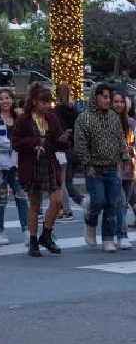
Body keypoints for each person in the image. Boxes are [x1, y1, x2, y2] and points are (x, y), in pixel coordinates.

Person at [12, 83, 70, 256]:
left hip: (50, 163)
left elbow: (60, 144)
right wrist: (34, 143)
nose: (47, 105)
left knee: (57, 200)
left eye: (48, 102)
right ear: (35, 102)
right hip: (32, 164)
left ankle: (46, 233)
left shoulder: (51, 118)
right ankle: (33, 240)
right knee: (35, 204)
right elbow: (15, 142)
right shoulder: (24, 119)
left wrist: (63, 139)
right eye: (43, 102)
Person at [75, 83, 130, 254]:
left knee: (112, 205)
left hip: (113, 167)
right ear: (96, 97)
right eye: (105, 97)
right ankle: (90, 221)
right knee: (98, 200)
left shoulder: (113, 117)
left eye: (109, 97)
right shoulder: (84, 118)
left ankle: (108, 239)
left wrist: (125, 157)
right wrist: (87, 164)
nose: (108, 100)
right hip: (94, 169)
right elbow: (80, 144)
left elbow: (120, 139)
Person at [0, 88, 29, 246]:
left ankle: (27, 231)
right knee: (1, 198)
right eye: (1, 99)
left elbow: (27, 136)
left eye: (8, 98)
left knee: (21, 197)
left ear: (12, 100)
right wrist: (17, 144)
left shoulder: (19, 118)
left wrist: (18, 144)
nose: (5, 101)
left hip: (17, 164)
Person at [53, 82, 83, 219]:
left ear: (57, 94)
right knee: (68, 180)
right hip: (76, 148)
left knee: (62, 181)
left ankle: (73, 205)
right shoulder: (75, 111)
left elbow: (58, 130)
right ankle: (70, 206)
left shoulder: (57, 112)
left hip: (64, 148)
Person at [111, 91, 135, 250]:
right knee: (120, 203)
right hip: (113, 166)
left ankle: (115, 230)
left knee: (123, 203)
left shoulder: (131, 122)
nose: (118, 104)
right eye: (116, 101)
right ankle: (122, 235)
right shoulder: (107, 120)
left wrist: (131, 149)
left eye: (121, 102)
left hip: (129, 167)